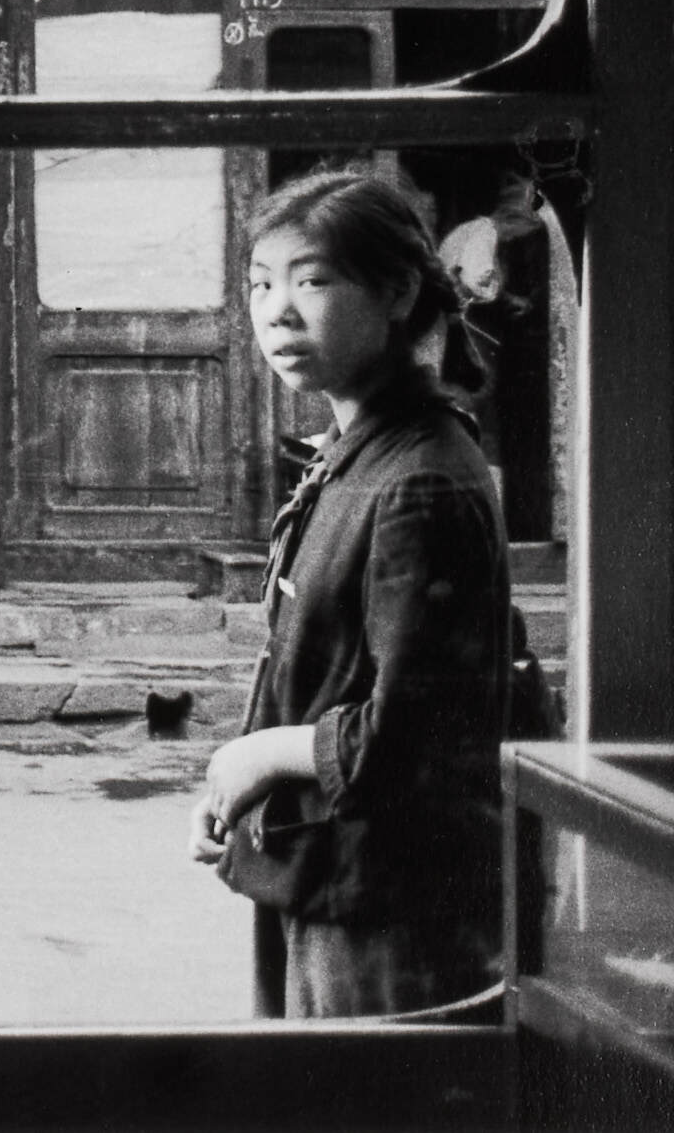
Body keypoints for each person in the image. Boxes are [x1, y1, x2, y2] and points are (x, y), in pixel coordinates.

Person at [191, 167, 514, 1019]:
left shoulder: (418, 481)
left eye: (313, 280)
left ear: (398, 290)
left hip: (387, 905)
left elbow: (414, 735)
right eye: (261, 284)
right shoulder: (355, 453)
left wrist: (260, 756)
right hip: (322, 866)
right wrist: (241, 788)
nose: (276, 312)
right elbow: (317, 666)